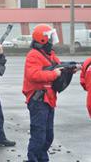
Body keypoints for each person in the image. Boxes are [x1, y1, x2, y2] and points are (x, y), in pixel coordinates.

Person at [23, 24, 65, 162]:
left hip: (48, 99)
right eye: (50, 37)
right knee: (39, 134)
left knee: (48, 135)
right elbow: (33, 75)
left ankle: (42, 157)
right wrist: (53, 75)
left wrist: (71, 69)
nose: (52, 41)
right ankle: (33, 158)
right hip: (38, 100)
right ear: (43, 39)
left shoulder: (50, 55)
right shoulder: (33, 55)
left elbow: (59, 66)